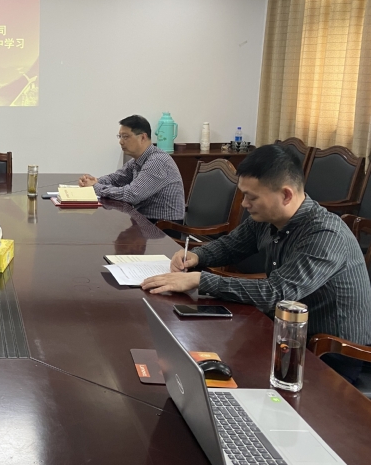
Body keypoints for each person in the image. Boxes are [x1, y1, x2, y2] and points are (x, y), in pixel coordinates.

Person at [141, 144, 371, 383]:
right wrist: (198, 256)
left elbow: (276, 293)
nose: (244, 204)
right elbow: (232, 245)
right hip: (285, 334)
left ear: (286, 195)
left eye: (251, 197)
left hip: (331, 353)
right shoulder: (268, 217)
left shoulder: (325, 234)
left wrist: (201, 280)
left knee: (226, 373)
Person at [78, 115, 185, 222]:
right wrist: (95, 181)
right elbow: (116, 179)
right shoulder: (137, 160)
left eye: (125, 137)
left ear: (143, 137)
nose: (121, 142)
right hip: (144, 220)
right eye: (120, 136)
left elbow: (131, 195)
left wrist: (95, 187)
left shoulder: (157, 161)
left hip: (162, 226)